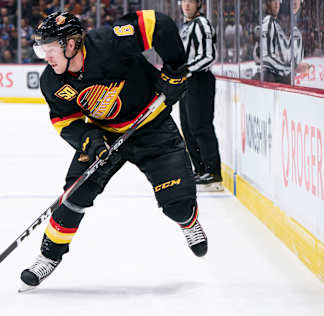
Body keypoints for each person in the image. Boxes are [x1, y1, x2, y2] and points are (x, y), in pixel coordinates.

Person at [19, 11, 208, 291]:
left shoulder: (109, 42)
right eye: (41, 49)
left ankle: (189, 222)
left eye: (50, 48)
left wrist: (176, 70)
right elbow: (65, 122)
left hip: (152, 126)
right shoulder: (52, 82)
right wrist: (90, 142)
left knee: (178, 206)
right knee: (74, 196)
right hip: (104, 135)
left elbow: (159, 24)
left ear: (71, 45)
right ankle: (48, 256)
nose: (45, 56)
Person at [178, 0, 222, 192]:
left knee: (200, 126)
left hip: (200, 80)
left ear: (199, 4)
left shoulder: (201, 24)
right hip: (187, 81)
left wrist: (187, 70)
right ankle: (201, 169)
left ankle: (213, 172)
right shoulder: (186, 26)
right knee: (187, 127)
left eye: (190, 2)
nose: (186, 5)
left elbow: (209, 55)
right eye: (184, 1)